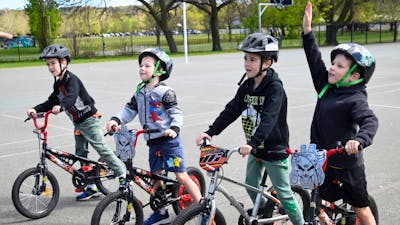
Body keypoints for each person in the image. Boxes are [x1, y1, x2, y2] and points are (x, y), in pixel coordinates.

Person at [195, 33, 305, 225]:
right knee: (251, 185)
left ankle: (301, 223)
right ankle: (264, 213)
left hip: (273, 149)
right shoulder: (247, 86)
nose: (247, 63)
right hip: (255, 149)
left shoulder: (274, 87)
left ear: (267, 62)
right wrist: (210, 132)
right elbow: (232, 110)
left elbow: (269, 119)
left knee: (285, 195)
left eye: (252, 59)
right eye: (245, 58)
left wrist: (253, 142)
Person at [105, 48, 202, 225]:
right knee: (155, 179)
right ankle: (161, 212)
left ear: (159, 70)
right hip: (153, 142)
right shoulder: (140, 92)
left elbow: (176, 113)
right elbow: (129, 110)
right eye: (141, 65)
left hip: (169, 141)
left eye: (147, 65)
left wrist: (174, 128)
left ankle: (202, 208)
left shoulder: (165, 92)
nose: (142, 68)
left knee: (180, 176)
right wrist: (116, 120)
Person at [302, 2, 378, 225]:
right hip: (322, 159)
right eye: (333, 63)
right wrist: (307, 33)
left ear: (355, 76)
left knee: (361, 208)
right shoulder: (326, 87)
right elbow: (314, 61)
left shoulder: (355, 98)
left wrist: (358, 140)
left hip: (347, 165)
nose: (332, 68)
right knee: (318, 204)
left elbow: (370, 121)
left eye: (340, 66)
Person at [26, 44, 126, 201]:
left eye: (53, 63)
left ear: (64, 62)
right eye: (48, 64)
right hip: (78, 123)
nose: (50, 67)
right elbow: (51, 101)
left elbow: (71, 97)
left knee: (101, 149)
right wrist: (35, 109)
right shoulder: (58, 84)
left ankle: (122, 173)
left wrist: (62, 106)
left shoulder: (72, 80)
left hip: (90, 120)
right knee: (81, 154)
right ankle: (92, 186)